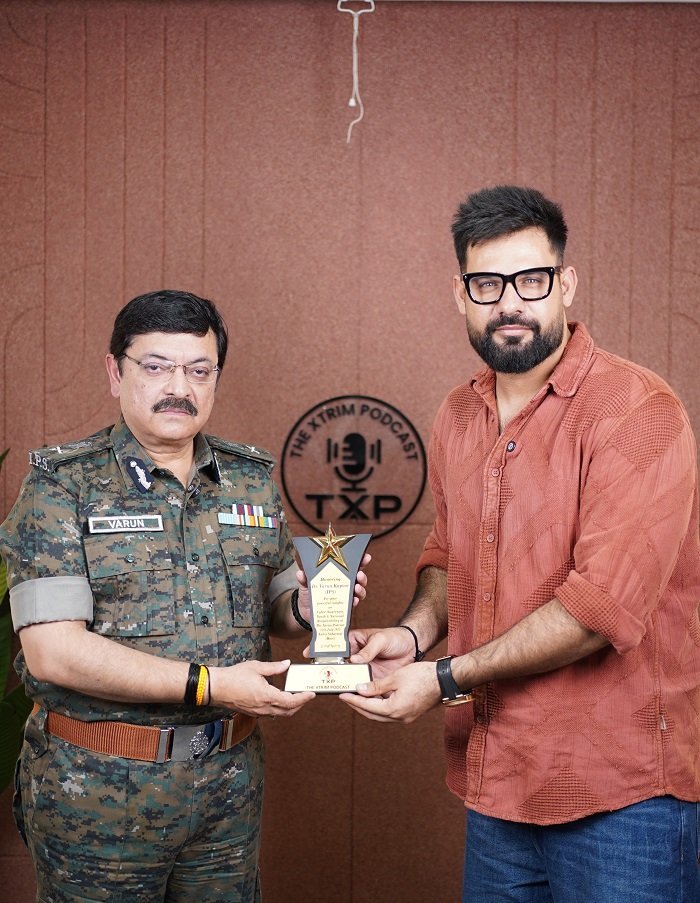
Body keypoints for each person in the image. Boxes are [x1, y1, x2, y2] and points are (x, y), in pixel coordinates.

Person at [341, 186, 700, 902]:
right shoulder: (457, 413)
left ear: (565, 283)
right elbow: (449, 554)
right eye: (487, 283)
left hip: (624, 796)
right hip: (498, 783)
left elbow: (598, 610)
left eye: (531, 280)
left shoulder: (639, 411)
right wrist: (413, 637)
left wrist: (442, 677)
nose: (511, 302)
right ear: (460, 293)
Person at [0, 289, 367, 903]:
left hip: (227, 786)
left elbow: (273, 603)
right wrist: (212, 685)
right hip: (98, 794)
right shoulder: (61, 486)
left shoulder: (248, 477)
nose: (180, 387)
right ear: (115, 372)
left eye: (199, 370)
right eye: (156, 366)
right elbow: (54, 654)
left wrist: (308, 609)